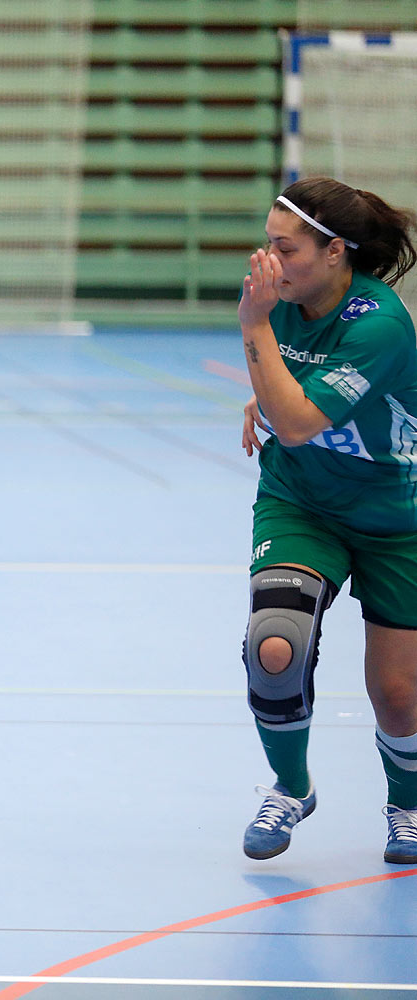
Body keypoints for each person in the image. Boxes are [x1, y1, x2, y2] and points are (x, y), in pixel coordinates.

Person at [236, 175, 417, 864]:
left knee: (398, 697)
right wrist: (267, 393)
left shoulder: (379, 323)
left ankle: (408, 804)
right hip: (301, 496)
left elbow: (302, 418)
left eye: (284, 247)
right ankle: (291, 787)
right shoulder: (282, 297)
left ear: (335, 251)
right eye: (266, 244)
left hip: (396, 510)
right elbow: (289, 398)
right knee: (274, 646)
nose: (267, 261)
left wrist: (253, 332)